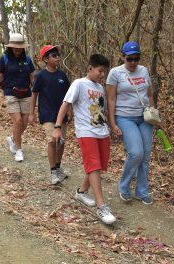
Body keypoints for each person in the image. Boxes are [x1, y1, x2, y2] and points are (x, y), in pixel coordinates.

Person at [53, 54, 116, 225]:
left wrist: (112, 126)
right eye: (100, 71)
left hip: (102, 132)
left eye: (104, 72)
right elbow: (65, 104)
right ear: (90, 68)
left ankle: (81, 192)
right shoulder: (79, 83)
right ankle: (101, 206)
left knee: (98, 166)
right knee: (93, 164)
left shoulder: (100, 89)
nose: (102, 75)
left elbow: (101, 111)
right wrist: (57, 127)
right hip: (86, 132)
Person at [106, 41, 155, 205]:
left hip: (144, 117)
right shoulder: (115, 73)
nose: (133, 62)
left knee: (146, 155)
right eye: (130, 59)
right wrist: (112, 124)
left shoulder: (144, 71)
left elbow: (149, 95)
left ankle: (142, 191)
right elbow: (111, 99)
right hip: (124, 117)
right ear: (123, 57)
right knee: (136, 153)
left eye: (137, 58)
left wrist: (154, 113)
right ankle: (124, 186)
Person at [0, 33, 35, 161]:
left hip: (26, 93)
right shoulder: (5, 59)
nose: (17, 50)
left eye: (20, 48)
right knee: (18, 121)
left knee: (25, 123)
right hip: (10, 93)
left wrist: (37, 92)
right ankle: (18, 150)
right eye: (15, 47)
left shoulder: (28, 59)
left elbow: (32, 77)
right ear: (10, 47)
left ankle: (13, 138)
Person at [29, 45, 71, 184]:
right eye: (54, 55)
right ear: (46, 59)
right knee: (52, 141)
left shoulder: (62, 75)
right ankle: (53, 172)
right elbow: (34, 94)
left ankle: (58, 167)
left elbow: (68, 96)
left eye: (58, 54)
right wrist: (31, 114)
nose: (58, 57)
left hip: (62, 114)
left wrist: (70, 111)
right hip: (47, 114)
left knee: (61, 141)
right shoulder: (40, 75)